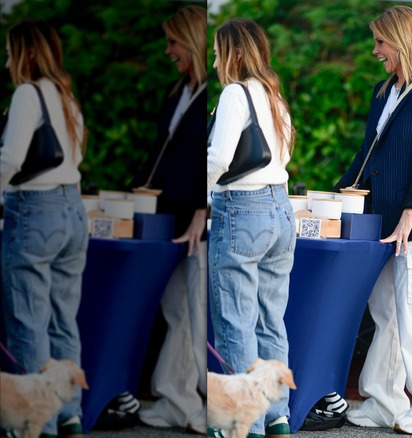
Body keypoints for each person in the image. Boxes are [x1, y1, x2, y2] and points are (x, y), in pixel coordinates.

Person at [335, 5, 412, 436]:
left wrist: (410, 213)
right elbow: (365, 157)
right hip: (377, 224)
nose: (375, 50)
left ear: (403, 40)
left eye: (381, 41)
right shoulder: (384, 93)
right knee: (385, 314)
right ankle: (384, 403)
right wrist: (335, 195)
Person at [206, 18, 296, 438]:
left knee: (236, 322)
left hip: (242, 210)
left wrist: (203, 197)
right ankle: (277, 415)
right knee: (270, 321)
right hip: (280, 210)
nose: (214, 57)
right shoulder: (274, 95)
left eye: (218, 49)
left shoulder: (233, 94)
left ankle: (246, 423)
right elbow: (285, 155)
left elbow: (218, 158)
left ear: (236, 53)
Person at [1, 20, 88, 438]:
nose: (6, 61)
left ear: (27, 54)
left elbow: (10, 158)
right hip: (72, 210)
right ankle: (68, 413)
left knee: (28, 321)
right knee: (61, 321)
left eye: (9, 51)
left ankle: (37, 423)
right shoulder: (66, 96)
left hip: (35, 211)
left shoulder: (27, 93)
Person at [129, 5, 208, 434]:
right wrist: (130, 195)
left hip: (196, 222)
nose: (167, 50)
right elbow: (159, 156)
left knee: (196, 313)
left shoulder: (209, 94)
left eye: (173, 41)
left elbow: (213, 163)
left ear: (192, 40)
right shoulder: (180, 93)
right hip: (167, 219)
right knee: (178, 310)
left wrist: (203, 211)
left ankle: (203, 404)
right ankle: (177, 401)